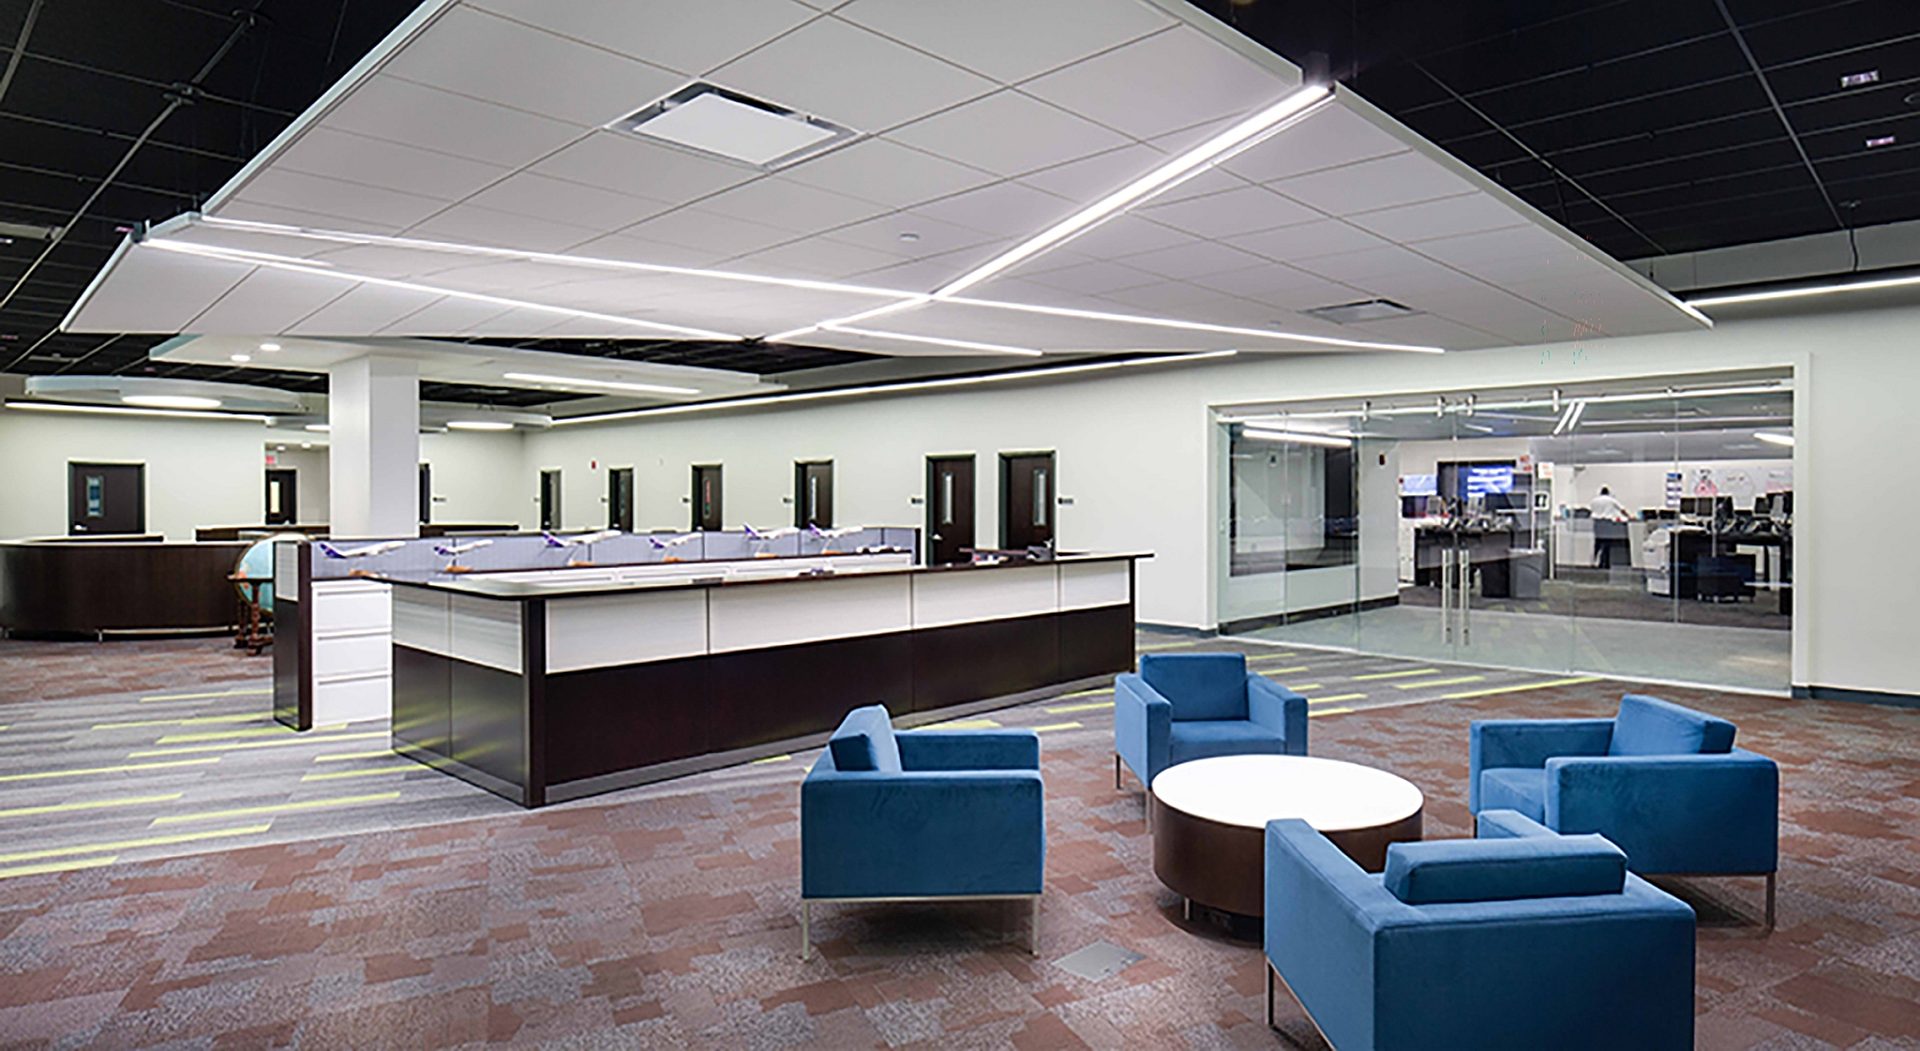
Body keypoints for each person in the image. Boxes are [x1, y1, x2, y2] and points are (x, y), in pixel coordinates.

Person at [1589, 487, 1629, 568]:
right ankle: (1605, 563)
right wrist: (1629, 516)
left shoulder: (1594, 501)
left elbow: (1591, 511)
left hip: (1597, 524)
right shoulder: (1611, 500)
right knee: (1607, 544)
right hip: (1607, 524)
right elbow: (1622, 509)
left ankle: (1593, 562)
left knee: (1597, 543)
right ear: (1608, 493)